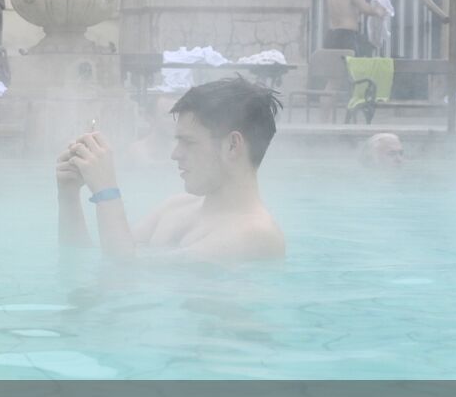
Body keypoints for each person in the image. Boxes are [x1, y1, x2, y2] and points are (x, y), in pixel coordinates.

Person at [57, 77, 285, 262]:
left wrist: (106, 190)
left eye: (189, 142)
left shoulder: (256, 234)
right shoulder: (176, 207)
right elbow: (91, 259)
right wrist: (69, 196)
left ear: (232, 146)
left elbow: (123, 274)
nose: (175, 154)